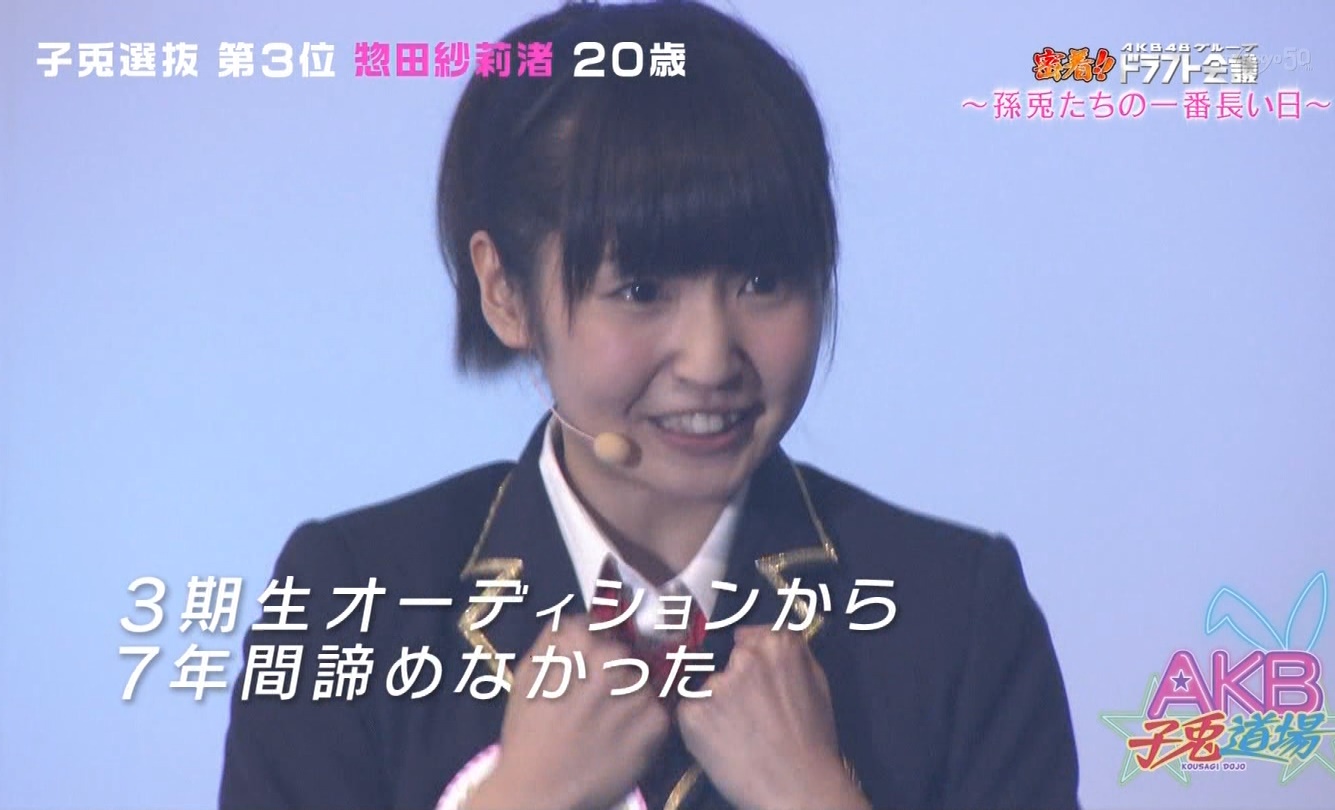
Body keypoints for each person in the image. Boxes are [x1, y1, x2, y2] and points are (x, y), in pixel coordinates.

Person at [218, 2, 1081, 809]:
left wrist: (810, 794)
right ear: (505, 292)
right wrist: (523, 795)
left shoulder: (958, 613)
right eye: (640, 290)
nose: (710, 361)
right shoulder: (352, 599)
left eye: (763, 280)